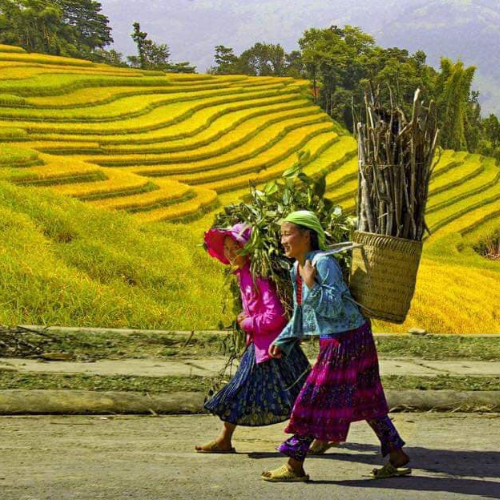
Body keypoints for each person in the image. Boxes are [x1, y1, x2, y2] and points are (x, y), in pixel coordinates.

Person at [261, 210, 411, 481]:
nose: (282, 240)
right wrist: (284, 339)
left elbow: (333, 307)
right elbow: (302, 311)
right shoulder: (298, 267)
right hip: (348, 337)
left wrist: (311, 282)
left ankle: (294, 465)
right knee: (367, 399)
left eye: (287, 234)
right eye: (281, 235)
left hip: (345, 340)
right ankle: (397, 456)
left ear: (306, 235)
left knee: (313, 400)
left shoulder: (323, 263)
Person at [195, 222, 311, 453]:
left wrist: (247, 323)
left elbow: (275, 315)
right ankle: (225, 438)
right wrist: (245, 316)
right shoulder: (245, 273)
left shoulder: (258, 276)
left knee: (298, 393)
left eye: (235, 248)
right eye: (227, 249)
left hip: (273, 346)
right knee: (295, 391)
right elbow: (257, 308)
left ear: (248, 248)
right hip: (262, 345)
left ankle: (313, 437)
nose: (230, 253)